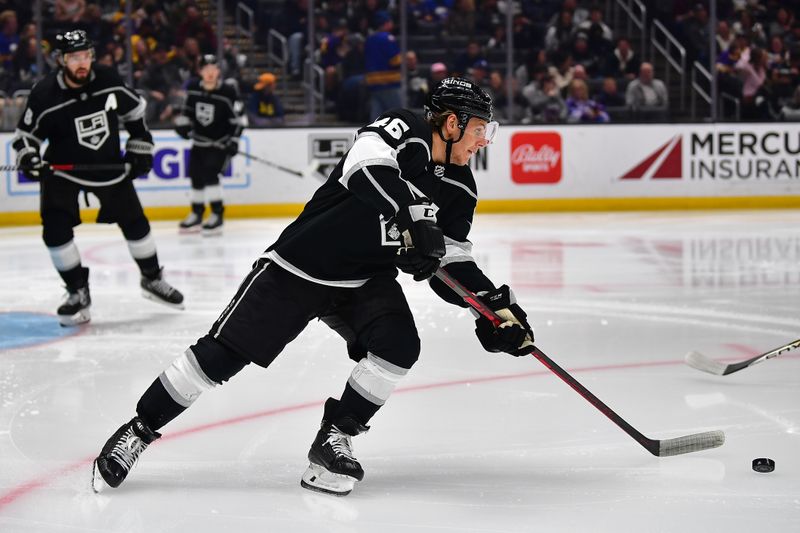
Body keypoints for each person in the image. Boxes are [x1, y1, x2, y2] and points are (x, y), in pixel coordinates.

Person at [91, 77, 534, 497]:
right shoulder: (406, 130)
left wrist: (491, 308)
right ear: (451, 123)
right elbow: (365, 168)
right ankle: (138, 429)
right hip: (301, 264)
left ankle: (334, 440)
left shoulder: (460, 187)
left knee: (398, 346)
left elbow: (450, 258)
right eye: (479, 129)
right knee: (219, 358)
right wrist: (411, 214)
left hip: (364, 277)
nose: (484, 141)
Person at [12, 30, 184, 327]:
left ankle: (152, 279)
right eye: (74, 57)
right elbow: (25, 137)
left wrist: (140, 146)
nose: (82, 63)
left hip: (106, 164)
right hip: (62, 169)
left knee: (136, 222)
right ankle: (77, 291)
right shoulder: (44, 94)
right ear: (61, 60)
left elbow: (136, 114)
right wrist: (29, 158)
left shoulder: (107, 79)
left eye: (85, 56)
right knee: (54, 230)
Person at [174, 54, 247, 235]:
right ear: (200, 72)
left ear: (218, 71)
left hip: (219, 144)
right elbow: (186, 114)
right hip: (199, 143)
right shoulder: (193, 91)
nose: (210, 73)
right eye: (206, 70)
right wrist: (182, 127)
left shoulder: (228, 93)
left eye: (213, 69)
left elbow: (240, 120)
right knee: (196, 177)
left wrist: (234, 141)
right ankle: (197, 213)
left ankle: (217, 214)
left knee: (210, 175)